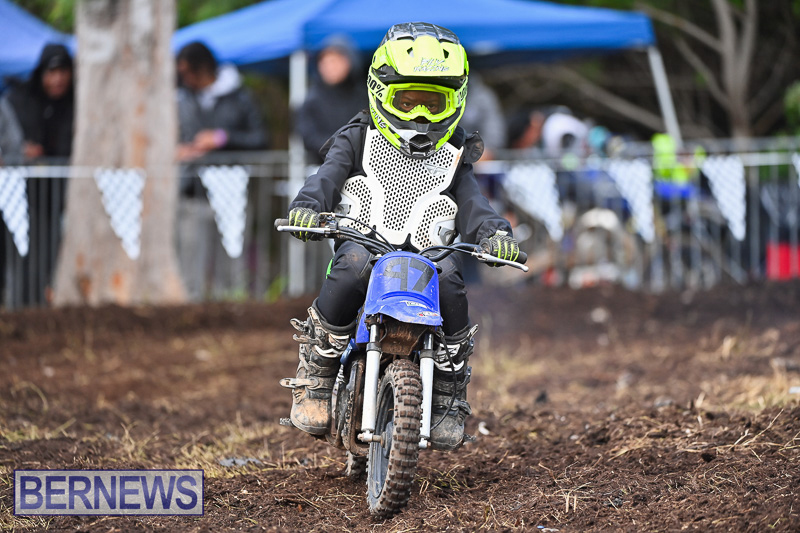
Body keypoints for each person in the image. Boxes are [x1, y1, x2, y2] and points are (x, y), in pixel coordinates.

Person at [282, 22, 520, 451]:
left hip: (430, 252)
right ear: (380, 91)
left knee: (451, 276)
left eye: (434, 103)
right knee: (350, 265)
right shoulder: (358, 136)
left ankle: (448, 384)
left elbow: (473, 204)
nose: (421, 116)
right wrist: (308, 207)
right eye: (407, 102)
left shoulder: (454, 153)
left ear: (456, 101)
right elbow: (326, 177)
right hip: (365, 242)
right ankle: (318, 368)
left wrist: (495, 233)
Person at [176, 41, 267, 164]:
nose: (184, 80)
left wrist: (223, 138)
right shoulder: (182, 100)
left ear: (203, 68)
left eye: (186, 73)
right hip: (190, 178)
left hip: (234, 176)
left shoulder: (241, 97)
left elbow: (260, 139)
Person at [296, 35, 368, 164]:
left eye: (335, 61)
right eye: (325, 62)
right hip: (322, 166)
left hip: (360, 166)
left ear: (350, 62)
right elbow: (309, 137)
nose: (329, 67)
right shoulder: (312, 99)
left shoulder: (364, 96)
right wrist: (340, 148)